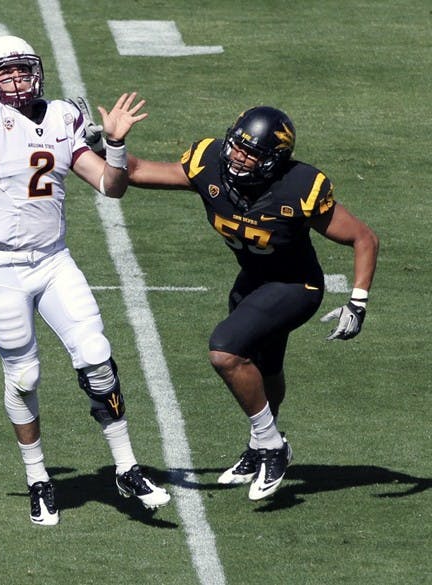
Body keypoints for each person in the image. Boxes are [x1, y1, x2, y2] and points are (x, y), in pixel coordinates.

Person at [0, 35, 170, 526]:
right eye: (6, 72)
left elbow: (111, 187)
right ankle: (38, 478)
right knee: (23, 377)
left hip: (52, 261)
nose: (18, 79)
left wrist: (114, 143)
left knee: (96, 356)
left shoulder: (63, 116)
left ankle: (127, 467)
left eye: (23, 69)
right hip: (1, 267)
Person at [79, 101, 379, 501]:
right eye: (236, 145)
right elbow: (134, 171)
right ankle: (259, 448)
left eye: (250, 152)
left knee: (225, 351)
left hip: (295, 287)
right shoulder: (209, 163)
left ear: (273, 159)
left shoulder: (300, 186)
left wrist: (357, 302)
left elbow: (364, 238)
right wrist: (109, 145)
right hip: (252, 282)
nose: (237, 156)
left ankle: (272, 445)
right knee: (265, 369)